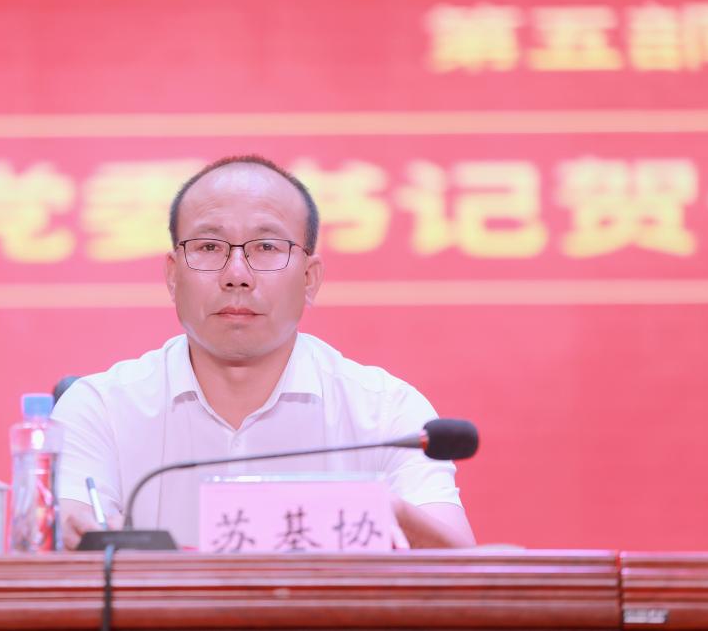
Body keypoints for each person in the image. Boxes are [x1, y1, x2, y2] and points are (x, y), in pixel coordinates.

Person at [53, 155, 475, 550]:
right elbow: (66, 538)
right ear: (172, 275)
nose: (236, 275)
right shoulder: (100, 408)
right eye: (209, 247)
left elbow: (463, 571)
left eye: (267, 248)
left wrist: (382, 511)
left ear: (310, 279)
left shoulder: (386, 413)